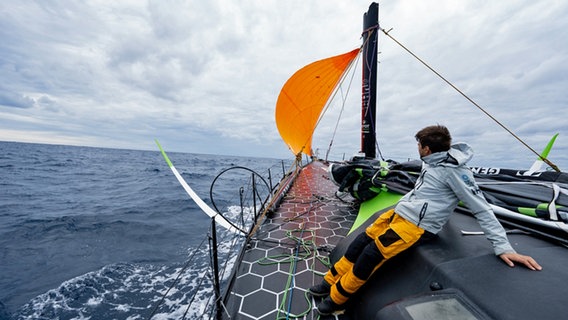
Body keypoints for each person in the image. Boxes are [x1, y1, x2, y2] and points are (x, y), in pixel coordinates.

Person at [309, 124, 542, 315]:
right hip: (399, 215)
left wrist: (503, 247)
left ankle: (337, 298)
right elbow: (421, 192)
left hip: (415, 226)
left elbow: (481, 208)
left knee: (371, 254)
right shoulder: (430, 164)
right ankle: (329, 281)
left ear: (427, 149)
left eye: (419, 145)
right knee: (360, 242)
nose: (418, 148)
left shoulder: (455, 172)